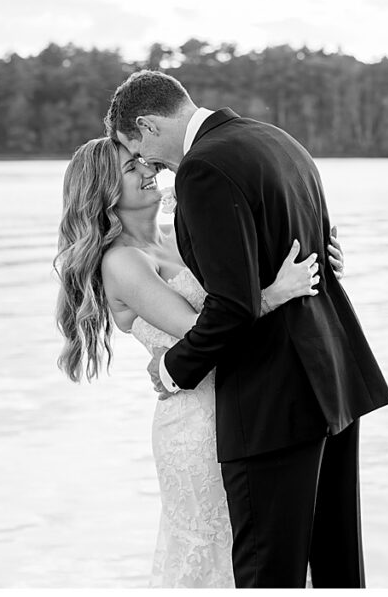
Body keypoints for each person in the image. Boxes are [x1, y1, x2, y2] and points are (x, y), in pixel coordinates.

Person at [105, 70, 388, 588]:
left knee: (268, 576)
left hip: (271, 399)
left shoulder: (203, 169)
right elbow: (297, 251)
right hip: (332, 382)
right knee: (336, 568)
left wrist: (173, 369)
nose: (148, 167)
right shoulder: (281, 141)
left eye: (137, 152)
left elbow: (232, 307)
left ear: (146, 126)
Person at [54, 136, 345, 587]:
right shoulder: (122, 262)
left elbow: (247, 271)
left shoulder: (180, 229)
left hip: (248, 402)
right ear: (105, 190)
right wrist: (277, 292)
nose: (148, 168)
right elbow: (200, 330)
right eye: (132, 167)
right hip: (194, 424)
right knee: (212, 553)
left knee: (262, 552)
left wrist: (320, 258)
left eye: (144, 159)